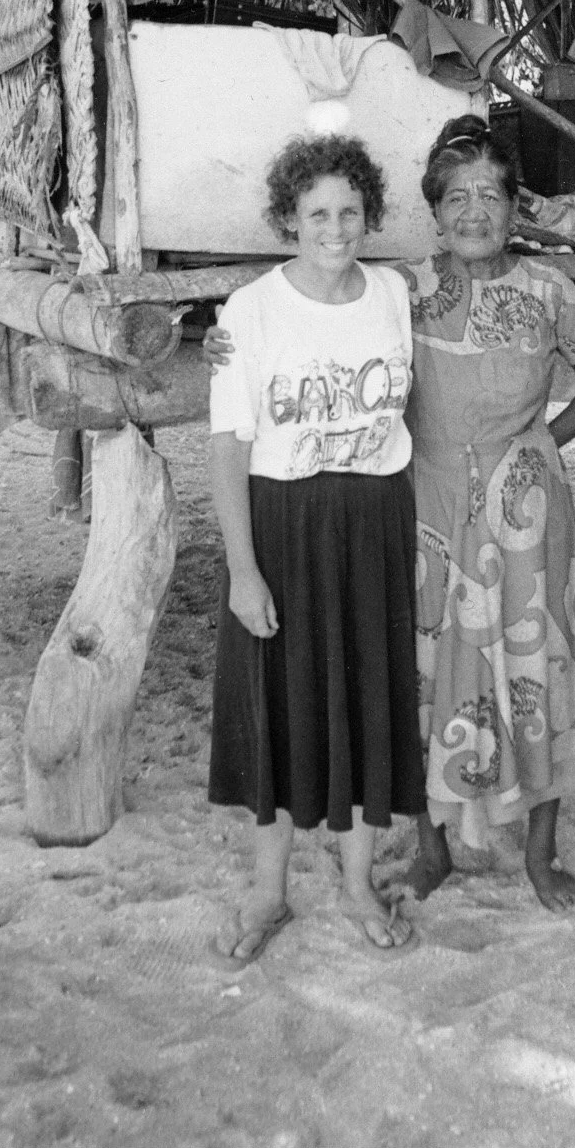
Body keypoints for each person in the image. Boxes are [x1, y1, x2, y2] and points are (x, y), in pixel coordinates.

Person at [398, 114, 575, 909]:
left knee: (536, 670)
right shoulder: (403, 292)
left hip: (527, 516)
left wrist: (541, 446)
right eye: (456, 196)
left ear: (512, 205)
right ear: (433, 208)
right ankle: (430, 850)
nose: (472, 212)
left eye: (489, 195)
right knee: (424, 670)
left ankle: (539, 855)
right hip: (425, 504)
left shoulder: (546, 290)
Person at [206, 134, 423, 963]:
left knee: (370, 696)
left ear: (368, 216)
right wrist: (242, 569)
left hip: (374, 519)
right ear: (286, 222)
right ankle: (269, 892)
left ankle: (359, 882)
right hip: (284, 524)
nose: (334, 228)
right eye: (315, 214)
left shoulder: (393, 293)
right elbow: (227, 444)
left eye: (349, 212)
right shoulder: (250, 311)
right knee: (279, 704)